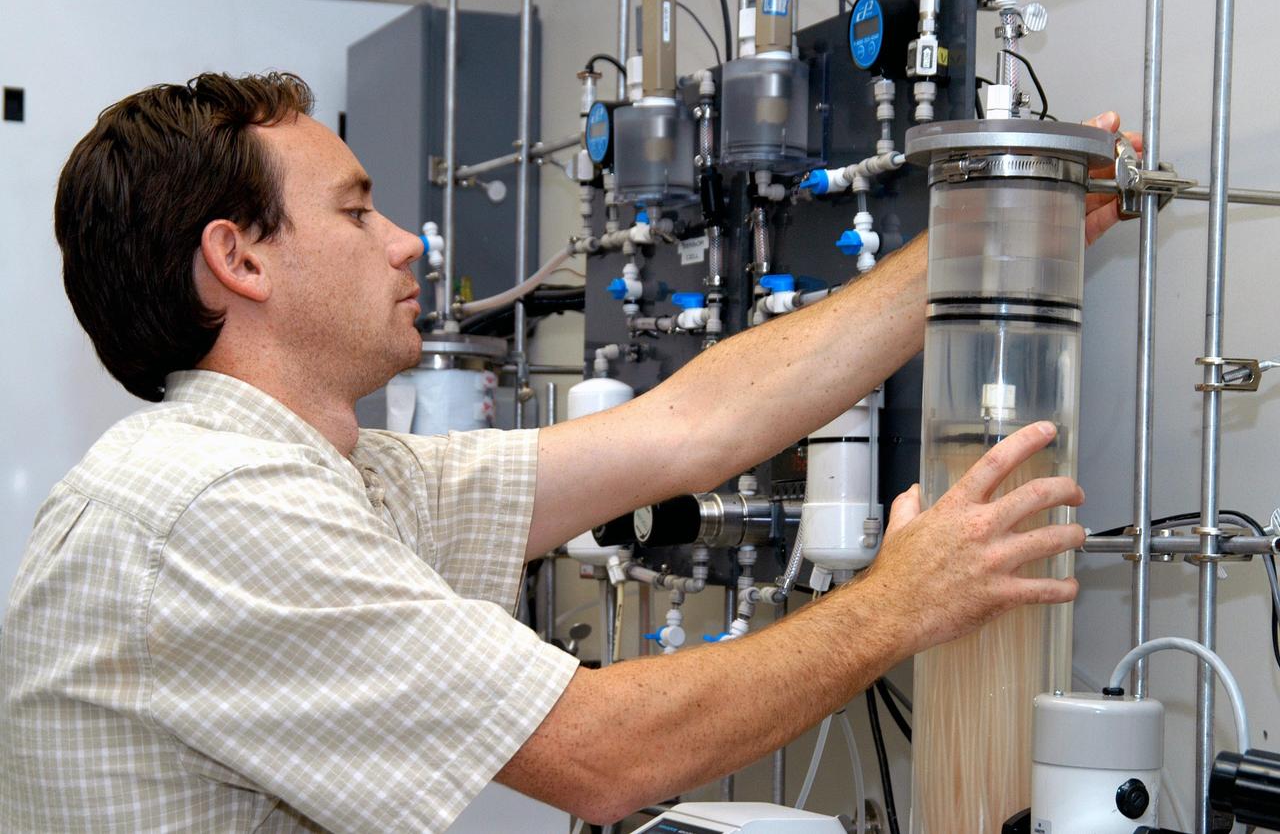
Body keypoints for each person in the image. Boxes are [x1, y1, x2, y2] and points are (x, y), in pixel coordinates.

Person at [0, 72, 1135, 832]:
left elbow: (691, 427)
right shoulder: (216, 504)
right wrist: (898, 602)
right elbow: (605, 755)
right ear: (238, 259)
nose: (403, 243)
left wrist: (979, 241)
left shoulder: (334, 475)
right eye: (354, 214)